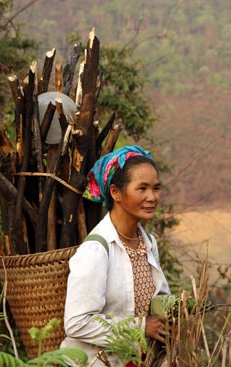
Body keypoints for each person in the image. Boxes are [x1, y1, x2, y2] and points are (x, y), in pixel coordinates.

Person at [60, 145, 171, 366]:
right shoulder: (96, 250)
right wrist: (140, 327)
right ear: (115, 193)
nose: (152, 197)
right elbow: (76, 323)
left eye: (156, 188)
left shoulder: (148, 242)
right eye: (142, 188)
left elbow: (155, 299)